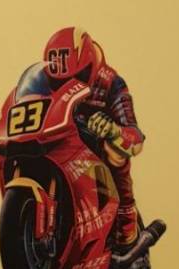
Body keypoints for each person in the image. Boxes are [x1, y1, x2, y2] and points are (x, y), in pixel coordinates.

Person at [42, 27, 144, 249]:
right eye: (59, 82)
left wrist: (113, 130)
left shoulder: (111, 82)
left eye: (77, 77)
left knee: (115, 150)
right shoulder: (42, 80)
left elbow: (136, 139)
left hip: (93, 149)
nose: (69, 86)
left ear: (90, 66)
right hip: (58, 143)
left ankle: (126, 214)